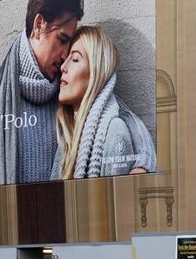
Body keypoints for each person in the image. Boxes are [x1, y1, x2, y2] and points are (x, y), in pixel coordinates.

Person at [0, 0, 84, 188]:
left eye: (69, 45)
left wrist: (142, 156)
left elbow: (110, 108)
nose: (65, 54)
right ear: (38, 25)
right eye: (62, 39)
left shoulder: (69, 97)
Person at [53, 25, 156, 179]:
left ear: (96, 74)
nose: (63, 67)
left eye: (74, 59)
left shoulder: (114, 132)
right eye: (65, 59)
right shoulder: (67, 137)